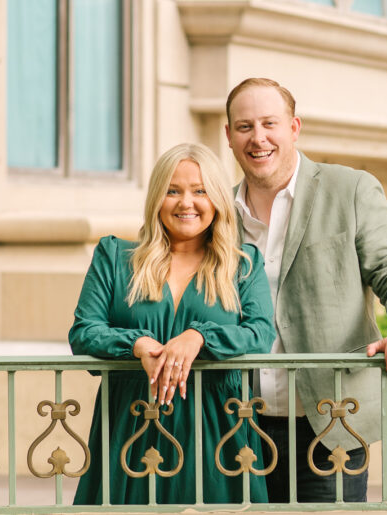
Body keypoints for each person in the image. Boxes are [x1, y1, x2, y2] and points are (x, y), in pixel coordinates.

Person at [224, 77, 387, 502]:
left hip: (333, 421)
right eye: (244, 126)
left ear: (294, 127)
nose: (258, 137)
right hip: (238, 422)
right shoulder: (216, 211)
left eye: (269, 123)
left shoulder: (350, 189)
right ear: (228, 136)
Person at [69, 143, 276, 505]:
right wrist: (136, 344)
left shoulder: (242, 265)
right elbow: (84, 331)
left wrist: (199, 337)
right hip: (131, 425)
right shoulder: (115, 258)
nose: (186, 203)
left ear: (216, 199)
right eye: (172, 191)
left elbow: (260, 334)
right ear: (156, 199)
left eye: (200, 191)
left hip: (218, 432)